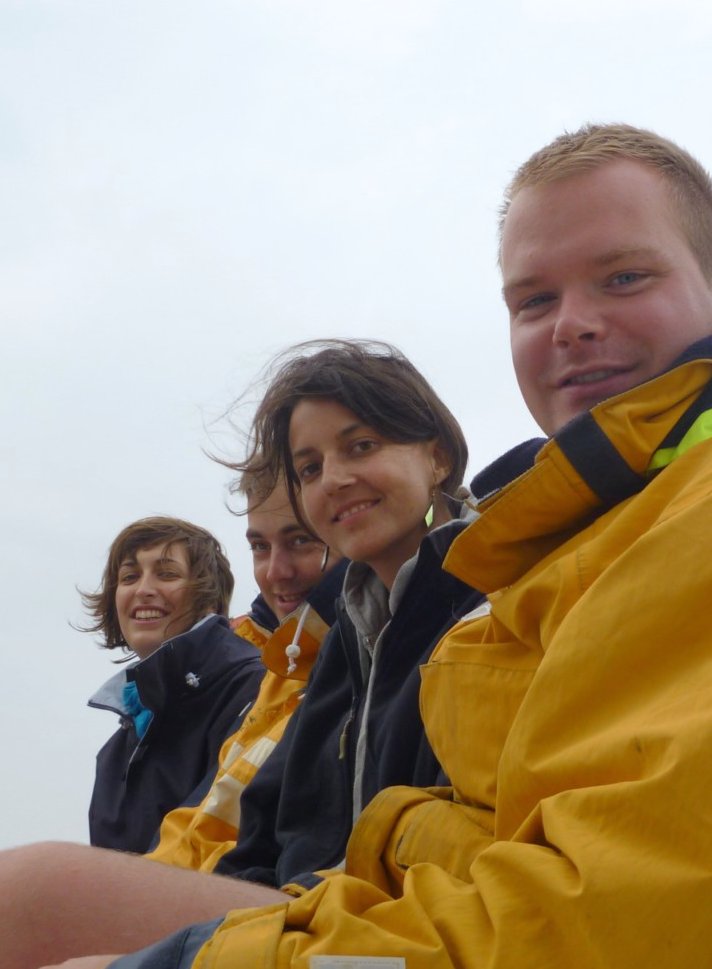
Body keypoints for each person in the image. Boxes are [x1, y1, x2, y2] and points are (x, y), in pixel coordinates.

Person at [70, 123, 712, 968]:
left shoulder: (480, 589)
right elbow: (277, 834)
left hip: (441, 920)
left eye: (624, 277)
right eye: (533, 301)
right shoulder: (366, 623)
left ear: (438, 455)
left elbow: (603, 905)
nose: (573, 325)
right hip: (383, 907)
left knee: (37, 900)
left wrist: (201, 950)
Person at [4, 341, 536, 969]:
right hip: (307, 913)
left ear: (438, 454)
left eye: (361, 445)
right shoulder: (347, 640)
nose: (333, 479)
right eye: (309, 468)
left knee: (31, 898)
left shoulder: (498, 602)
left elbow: (481, 863)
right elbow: (259, 838)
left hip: (400, 931)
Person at [147, 467, 347, 870]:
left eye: (301, 540)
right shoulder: (278, 671)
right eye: (259, 547)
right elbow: (197, 823)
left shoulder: (259, 673)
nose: (275, 572)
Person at [83, 517, 264, 853]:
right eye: (129, 577)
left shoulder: (254, 691)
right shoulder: (114, 753)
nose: (143, 589)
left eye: (167, 574)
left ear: (209, 598)